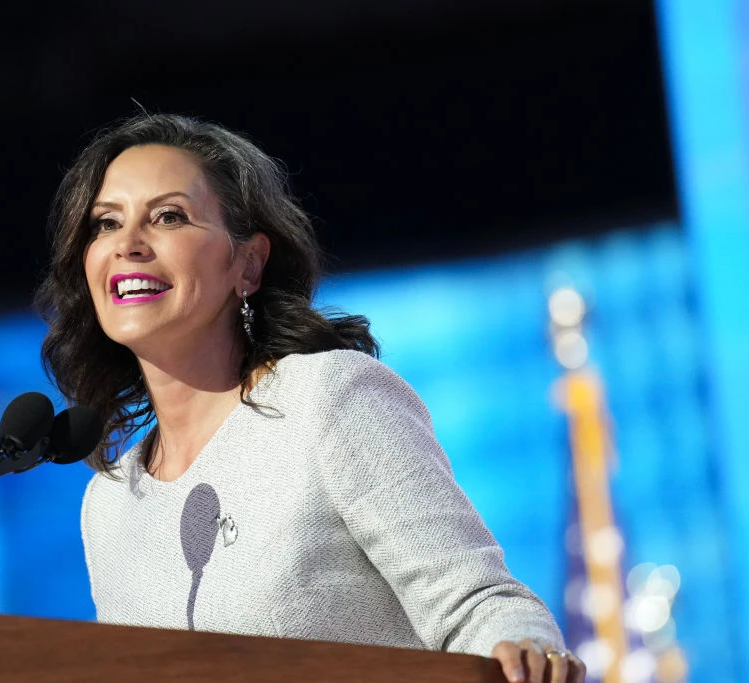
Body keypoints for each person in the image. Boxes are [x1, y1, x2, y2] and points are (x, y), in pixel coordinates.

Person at [36, 113, 585, 683]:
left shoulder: (326, 400)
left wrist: (521, 648)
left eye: (169, 216)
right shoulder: (111, 502)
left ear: (247, 264)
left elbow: (478, 606)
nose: (127, 245)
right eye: (104, 224)